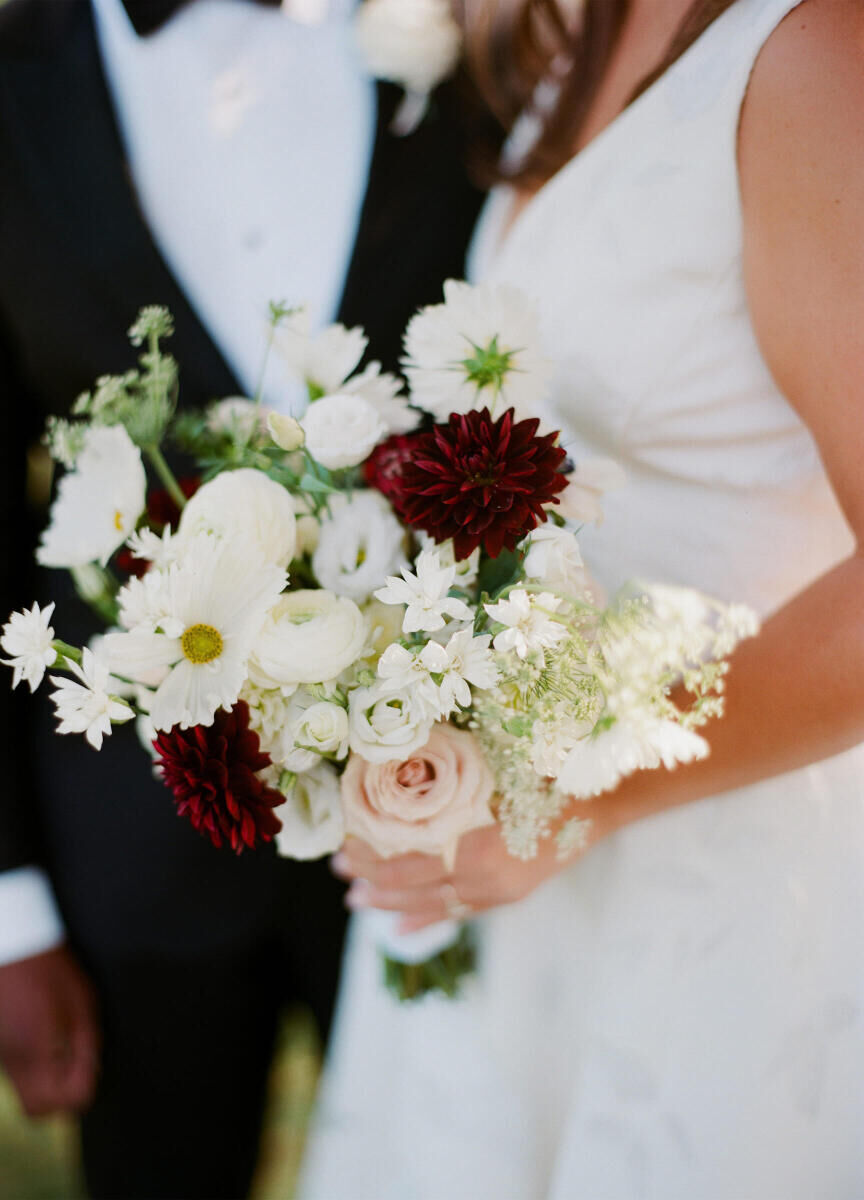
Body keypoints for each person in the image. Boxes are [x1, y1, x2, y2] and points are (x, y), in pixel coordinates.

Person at [301, 0, 864, 1196]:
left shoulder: (816, 58)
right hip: (516, 840)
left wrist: (577, 798)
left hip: (720, 857)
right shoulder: (586, 30)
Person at [0, 0, 487, 1196]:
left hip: (455, 810)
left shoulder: (476, 42)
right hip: (130, 856)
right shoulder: (15, 87)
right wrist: (8, 914)